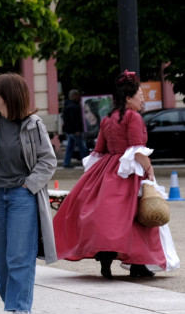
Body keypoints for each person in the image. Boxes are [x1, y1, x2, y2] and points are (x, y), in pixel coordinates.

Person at [53, 71, 180, 278]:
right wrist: (149, 169)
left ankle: (106, 257)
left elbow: (99, 149)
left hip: (106, 170)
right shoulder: (133, 117)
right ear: (128, 98)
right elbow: (137, 150)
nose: (142, 99)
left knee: (111, 218)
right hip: (128, 171)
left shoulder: (108, 118)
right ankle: (139, 263)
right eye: (140, 95)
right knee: (138, 217)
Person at [0, 73, 57, 314]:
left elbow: (48, 160)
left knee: (19, 254)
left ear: (7, 95)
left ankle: (21, 309)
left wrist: (29, 184)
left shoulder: (33, 124)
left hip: (22, 196)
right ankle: (14, 301)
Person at [61, 89, 88, 168]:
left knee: (70, 147)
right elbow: (75, 120)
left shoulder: (67, 105)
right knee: (82, 147)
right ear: (74, 96)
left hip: (69, 131)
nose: (78, 97)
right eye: (77, 95)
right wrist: (77, 129)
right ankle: (86, 162)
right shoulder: (73, 107)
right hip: (75, 131)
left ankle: (66, 163)